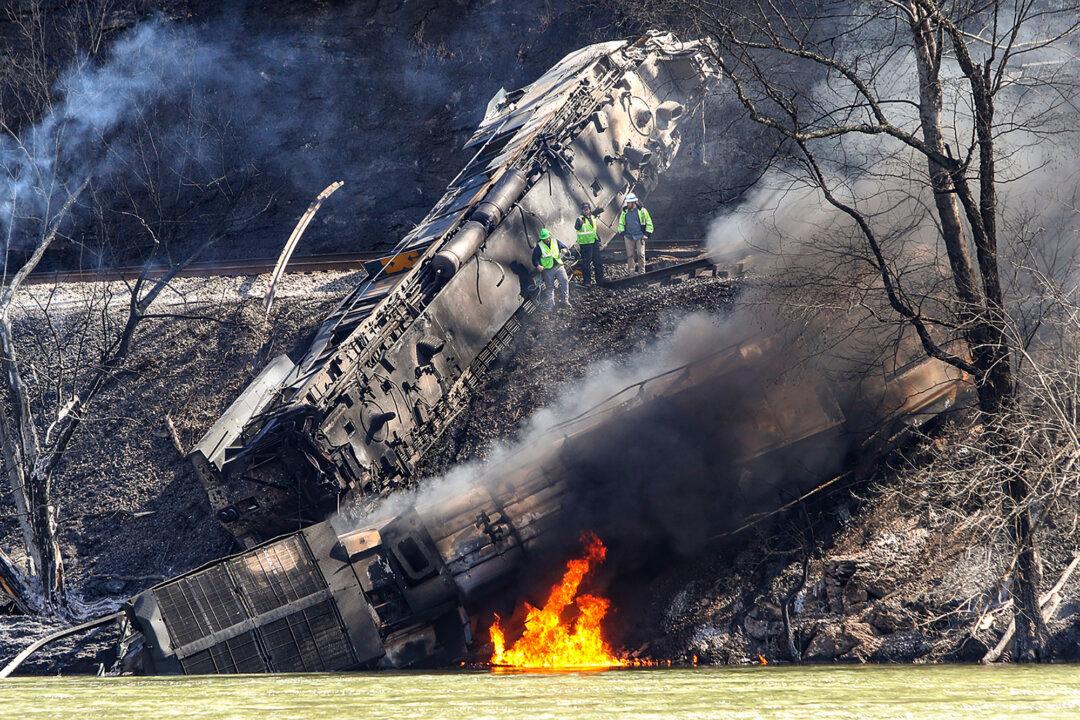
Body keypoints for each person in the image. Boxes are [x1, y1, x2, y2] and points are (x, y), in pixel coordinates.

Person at [532, 228, 571, 309]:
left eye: (547, 237)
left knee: (564, 281)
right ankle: (551, 305)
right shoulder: (539, 247)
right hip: (547, 270)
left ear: (549, 236)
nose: (546, 239)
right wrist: (538, 265)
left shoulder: (555, 241)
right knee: (549, 287)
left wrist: (564, 250)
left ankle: (565, 301)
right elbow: (534, 259)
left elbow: (564, 247)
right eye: (544, 238)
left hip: (559, 266)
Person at [617, 192, 653, 274]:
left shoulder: (642, 211)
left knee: (641, 254)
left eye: (629, 202)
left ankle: (642, 272)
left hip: (640, 236)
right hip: (629, 237)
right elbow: (621, 223)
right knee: (630, 255)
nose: (627, 204)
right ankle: (631, 273)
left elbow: (649, 223)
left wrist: (646, 234)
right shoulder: (625, 212)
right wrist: (623, 233)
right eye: (627, 202)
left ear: (634, 202)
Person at [574, 202, 605, 285]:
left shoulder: (592, 217)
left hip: (594, 242)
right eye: (584, 209)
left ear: (589, 209)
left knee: (598, 261)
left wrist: (598, 239)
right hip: (585, 244)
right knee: (586, 263)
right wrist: (579, 224)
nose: (586, 211)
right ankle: (587, 281)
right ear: (582, 210)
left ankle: (600, 280)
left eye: (587, 209)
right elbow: (577, 227)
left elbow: (593, 230)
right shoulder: (580, 219)